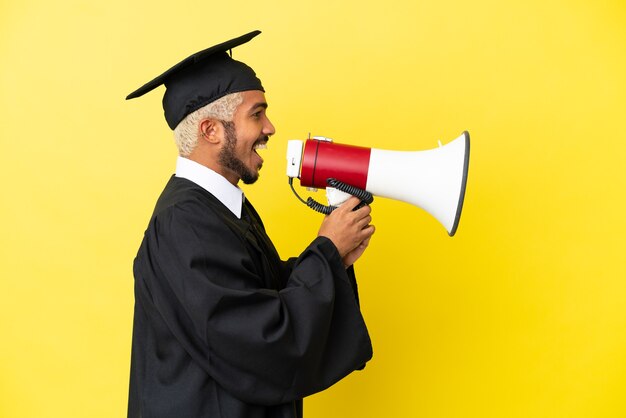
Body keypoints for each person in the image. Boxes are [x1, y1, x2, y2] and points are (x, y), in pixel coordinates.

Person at [125, 30, 375, 418]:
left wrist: (335, 257)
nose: (270, 128)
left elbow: (261, 294)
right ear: (211, 130)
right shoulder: (184, 223)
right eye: (256, 114)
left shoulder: (217, 209)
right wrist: (325, 254)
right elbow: (257, 338)